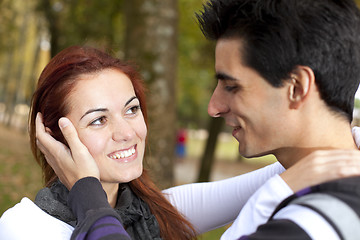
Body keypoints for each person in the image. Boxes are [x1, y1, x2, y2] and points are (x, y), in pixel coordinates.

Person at [2, 37, 360, 240]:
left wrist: (348, 138)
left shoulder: (153, 211)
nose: (127, 132)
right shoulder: (24, 228)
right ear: (53, 137)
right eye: (98, 120)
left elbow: (268, 181)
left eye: (131, 109)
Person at [197, 0, 360, 239]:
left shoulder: (308, 225)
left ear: (296, 87)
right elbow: (159, 211)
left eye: (232, 86)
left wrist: (268, 198)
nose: (214, 108)